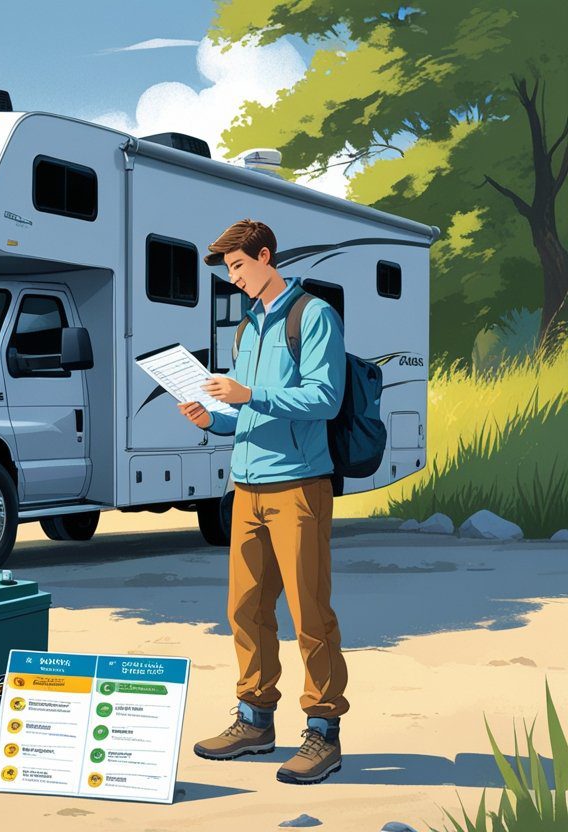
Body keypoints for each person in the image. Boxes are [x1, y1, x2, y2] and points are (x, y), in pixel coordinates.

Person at [178, 219, 348, 785]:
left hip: (299, 485)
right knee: (245, 609)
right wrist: (213, 416)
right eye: (229, 272)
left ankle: (323, 732)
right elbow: (245, 412)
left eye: (239, 268)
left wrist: (248, 394)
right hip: (246, 489)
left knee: (309, 614)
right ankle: (255, 721)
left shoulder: (313, 316)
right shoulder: (246, 327)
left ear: (265, 256)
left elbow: (324, 398)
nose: (234, 281)